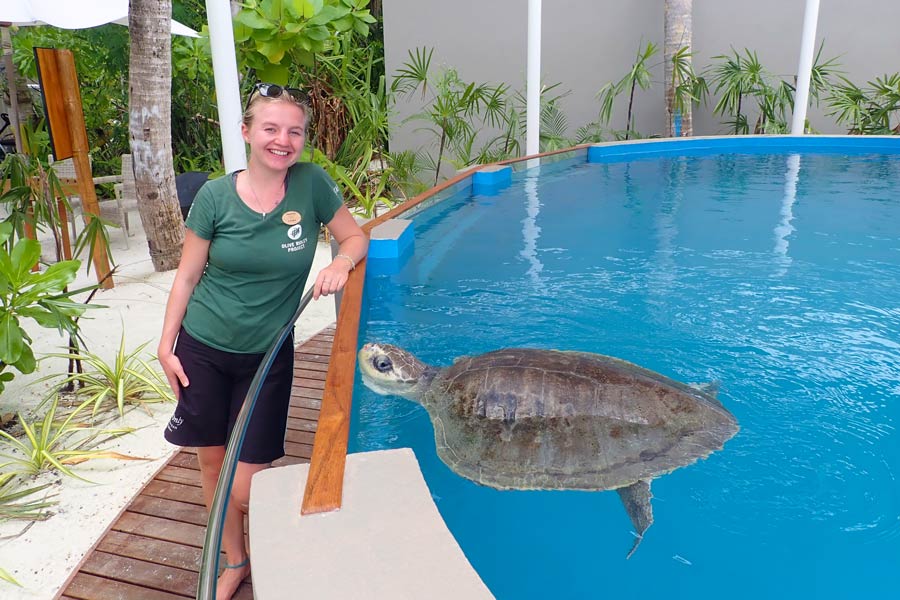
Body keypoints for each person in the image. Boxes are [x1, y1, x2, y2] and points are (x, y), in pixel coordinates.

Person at [158, 83, 367, 600]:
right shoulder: (213, 197)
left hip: (268, 355)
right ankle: (236, 559)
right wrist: (166, 345)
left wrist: (341, 261)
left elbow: (356, 235)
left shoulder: (311, 186)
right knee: (211, 462)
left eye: (294, 131)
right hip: (202, 347)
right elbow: (186, 276)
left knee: (249, 485)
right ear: (247, 132)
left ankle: (285, 549)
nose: (283, 140)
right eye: (270, 128)